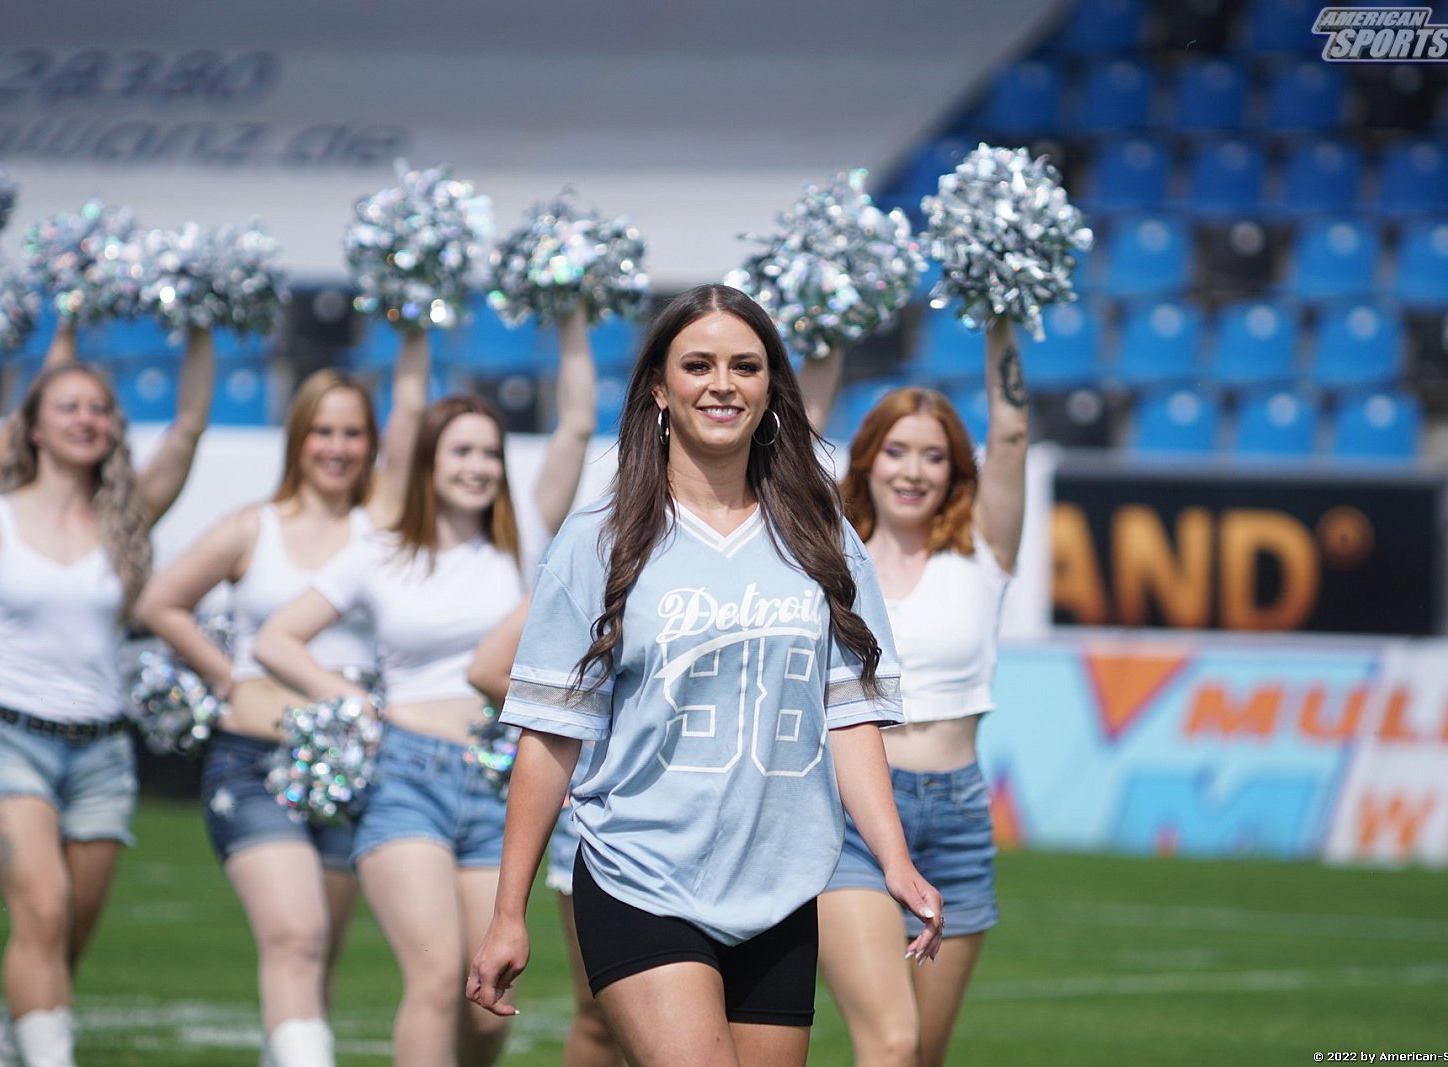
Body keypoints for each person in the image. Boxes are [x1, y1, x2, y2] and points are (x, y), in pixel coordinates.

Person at [466, 283, 943, 1067]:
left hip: (781, 887)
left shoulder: (822, 535)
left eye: (745, 366)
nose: (723, 384)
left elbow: (848, 714)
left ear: (771, 387)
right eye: (698, 365)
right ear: (659, 386)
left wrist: (895, 859)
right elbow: (550, 735)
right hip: (641, 876)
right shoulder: (598, 541)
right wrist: (507, 910)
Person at [256, 309, 596, 1067]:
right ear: (428, 460)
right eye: (461, 451)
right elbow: (275, 637)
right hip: (405, 775)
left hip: (498, 783)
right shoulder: (377, 551)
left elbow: (576, 424)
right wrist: (350, 698)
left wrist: (572, 318)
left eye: (490, 452)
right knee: (439, 974)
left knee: (486, 1001)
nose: (478, 466)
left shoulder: (522, 538)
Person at [133, 329, 431, 1067]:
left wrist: (415, 326)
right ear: (298, 438)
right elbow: (160, 603)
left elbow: (412, 417)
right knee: (295, 937)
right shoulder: (252, 527)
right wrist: (226, 675)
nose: (337, 447)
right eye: (323, 431)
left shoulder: (382, 525)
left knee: (316, 959)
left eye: (352, 433)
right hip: (253, 761)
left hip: (353, 769)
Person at [0, 333, 214, 1067]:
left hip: (103, 751)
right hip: (7, 739)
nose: (86, 419)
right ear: (35, 428)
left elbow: (188, 427)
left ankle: (5, 1052)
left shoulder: (126, 516)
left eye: (99, 409)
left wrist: (203, 326)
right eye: (69, 407)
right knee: (43, 909)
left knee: (69, 932)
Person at [800, 317, 1028, 1067]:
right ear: (866, 459)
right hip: (854, 816)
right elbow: (791, 441)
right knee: (893, 1044)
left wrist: (1001, 316)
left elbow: (1013, 435)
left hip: (958, 815)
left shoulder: (986, 546)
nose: (913, 471)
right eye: (896, 450)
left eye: (934, 455)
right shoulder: (830, 549)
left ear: (956, 470)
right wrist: (825, 323)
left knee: (922, 1054)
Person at [465, 598, 623, 1067]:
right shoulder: (598, 561)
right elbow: (487, 668)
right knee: (601, 1012)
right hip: (604, 812)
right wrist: (587, 717)